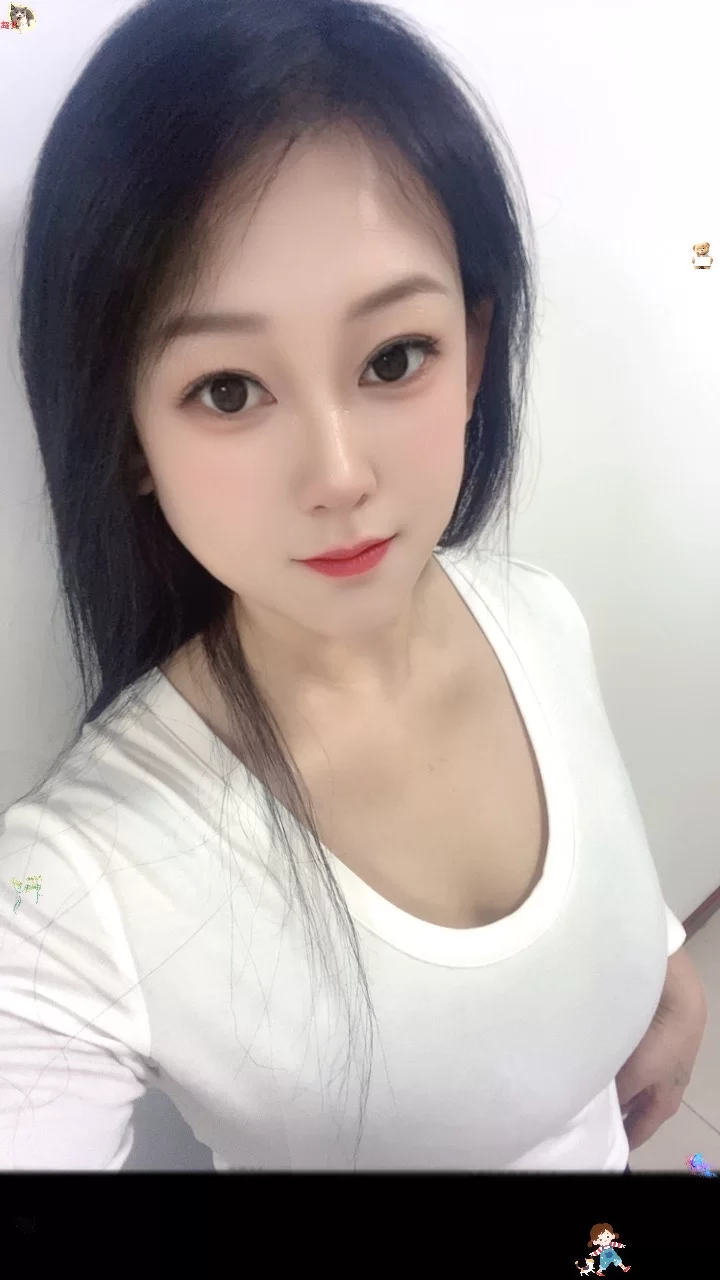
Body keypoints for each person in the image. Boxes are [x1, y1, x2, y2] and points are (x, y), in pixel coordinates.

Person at [0, 0, 706, 1172]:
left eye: (393, 357)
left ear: (472, 355)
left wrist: (662, 968)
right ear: (126, 435)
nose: (338, 475)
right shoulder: (71, 886)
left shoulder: (536, 612)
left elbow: (603, 897)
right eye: (229, 390)